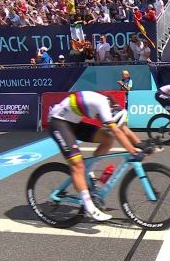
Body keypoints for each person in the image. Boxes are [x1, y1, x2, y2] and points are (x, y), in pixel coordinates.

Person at [47, 91, 156, 221]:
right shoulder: (103, 104)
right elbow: (116, 130)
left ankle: (88, 173)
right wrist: (133, 151)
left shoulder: (113, 107)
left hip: (74, 123)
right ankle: (90, 207)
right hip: (58, 123)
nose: (100, 121)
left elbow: (122, 129)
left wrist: (141, 145)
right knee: (77, 164)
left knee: (107, 139)